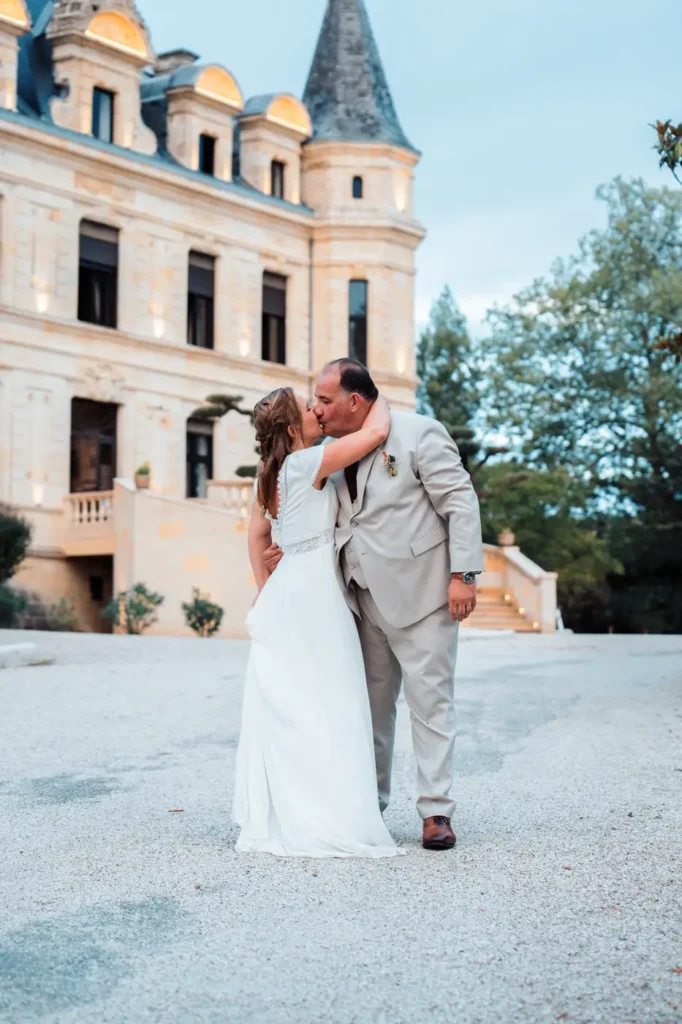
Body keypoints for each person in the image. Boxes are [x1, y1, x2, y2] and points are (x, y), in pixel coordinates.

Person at [262, 359, 484, 851]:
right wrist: (286, 545)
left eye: (323, 400)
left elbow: (460, 502)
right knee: (370, 713)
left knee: (431, 705)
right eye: (313, 402)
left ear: (355, 401)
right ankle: (372, 808)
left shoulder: (420, 433)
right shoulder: (328, 453)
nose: (317, 410)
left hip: (424, 595)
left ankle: (436, 812)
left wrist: (463, 575)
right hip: (360, 602)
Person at [233, 386, 403, 858]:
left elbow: (257, 532)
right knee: (332, 699)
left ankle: (290, 809)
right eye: (308, 409)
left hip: (288, 585)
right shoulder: (309, 462)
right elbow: (377, 433)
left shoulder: (267, 473)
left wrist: (266, 584)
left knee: (295, 703)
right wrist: (375, 398)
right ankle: (329, 813)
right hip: (313, 591)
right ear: (292, 429)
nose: (316, 411)